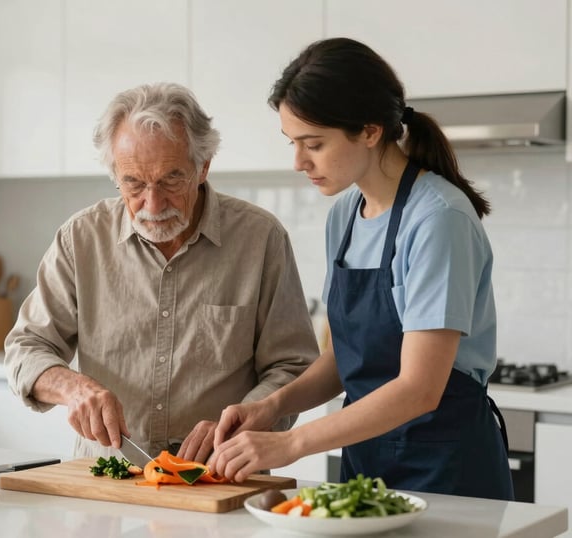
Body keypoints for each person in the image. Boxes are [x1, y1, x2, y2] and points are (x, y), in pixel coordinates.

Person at [210, 38, 514, 500]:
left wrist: (292, 442)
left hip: (446, 469)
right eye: (293, 143)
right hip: (364, 465)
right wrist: (272, 407)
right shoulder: (346, 213)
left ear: (370, 132)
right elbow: (339, 361)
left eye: (314, 144)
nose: (298, 162)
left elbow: (418, 389)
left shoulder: (438, 219)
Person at [4, 82, 319, 463]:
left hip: (218, 474)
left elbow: (294, 366)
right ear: (115, 175)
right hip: (107, 477)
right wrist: (73, 389)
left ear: (202, 166)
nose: (152, 203)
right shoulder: (81, 238)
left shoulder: (260, 239)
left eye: (171, 179)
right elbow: (26, 348)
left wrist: (243, 420)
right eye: (133, 183)